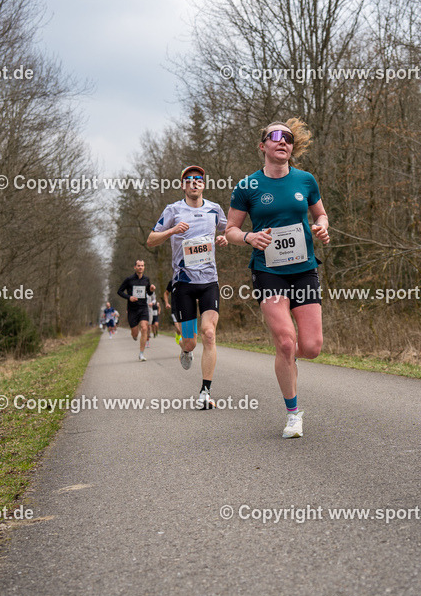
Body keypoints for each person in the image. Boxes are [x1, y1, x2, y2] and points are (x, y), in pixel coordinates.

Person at [225, 119, 330, 438]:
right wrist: (248, 238)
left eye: (287, 137)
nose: (282, 141)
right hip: (268, 272)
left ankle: (286, 359)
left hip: (304, 270)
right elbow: (229, 230)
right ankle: (293, 414)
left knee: (310, 347)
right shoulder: (247, 187)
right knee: (285, 341)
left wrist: (322, 227)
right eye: (275, 136)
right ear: (263, 146)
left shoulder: (306, 180)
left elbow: (320, 214)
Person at [147, 165, 228, 410]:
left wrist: (224, 237)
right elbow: (151, 240)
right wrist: (172, 230)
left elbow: (229, 230)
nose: (194, 182)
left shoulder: (214, 209)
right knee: (190, 342)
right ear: (183, 185)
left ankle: (205, 392)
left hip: (209, 282)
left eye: (199, 179)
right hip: (183, 284)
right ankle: (185, 348)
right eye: (189, 179)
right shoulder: (173, 210)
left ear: (203, 184)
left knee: (210, 333)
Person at [116, 260, 153, 361]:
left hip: (143, 308)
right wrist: (129, 297)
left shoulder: (146, 279)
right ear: (135, 267)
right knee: (135, 334)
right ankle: (134, 335)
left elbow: (149, 293)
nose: (140, 267)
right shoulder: (129, 279)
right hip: (132, 309)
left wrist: (151, 290)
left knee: (144, 328)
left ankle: (141, 354)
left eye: (142, 266)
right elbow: (119, 291)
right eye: (138, 266)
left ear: (144, 267)